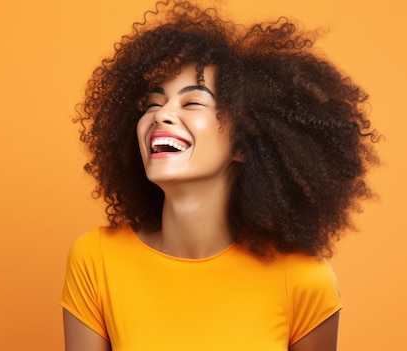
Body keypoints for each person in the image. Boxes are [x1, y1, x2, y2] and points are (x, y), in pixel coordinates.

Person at [60, 1, 378, 350]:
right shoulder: (97, 259)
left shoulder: (303, 280)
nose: (162, 115)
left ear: (242, 144)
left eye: (192, 103)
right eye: (153, 104)